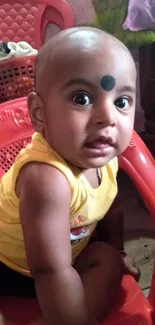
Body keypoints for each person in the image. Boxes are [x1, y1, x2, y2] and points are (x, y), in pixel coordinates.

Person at [0, 27, 139, 325]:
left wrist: (118, 251)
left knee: (109, 260)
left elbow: (110, 205)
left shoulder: (105, 158)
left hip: (67, 253)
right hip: (12, 265)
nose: (107, 117)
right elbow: (49, 271)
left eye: (121, 101)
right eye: (81, 98)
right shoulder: (46, 179)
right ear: (39, 113)